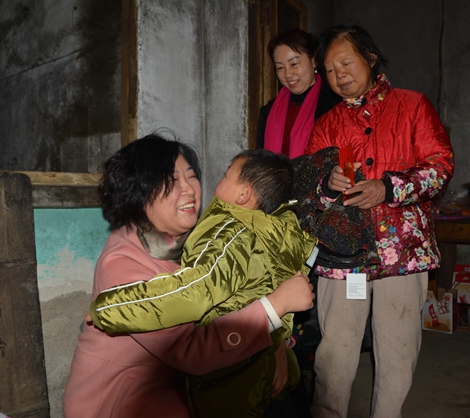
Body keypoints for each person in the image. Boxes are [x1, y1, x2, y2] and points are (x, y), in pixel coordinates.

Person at [63, 134, 315, 418]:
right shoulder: (122, 262)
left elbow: (247, 292)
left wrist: (276, 345)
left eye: (192, 177)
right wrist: (275, 307)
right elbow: (194, 350)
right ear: (140, 192)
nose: (190, 189)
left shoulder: (200, 240)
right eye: (172, 181)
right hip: (123, 407)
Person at [304, 24, 455, 418]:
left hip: (401, 252)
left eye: (346, 63)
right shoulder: (327, 123)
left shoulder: (413, 105)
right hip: (345, 255)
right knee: (335, 352)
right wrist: (327, 184)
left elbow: (440, 166)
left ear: (370, 59)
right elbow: (308, 187)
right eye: (329, 70)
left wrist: (389, 188)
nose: (339, 75)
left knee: (397, 351)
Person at [256, 28, 341, 157]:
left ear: (313, 60)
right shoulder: (268, 112)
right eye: (280, 67)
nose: (287, 74)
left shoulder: (334, 105)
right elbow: (260, 160)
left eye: (294, 64)